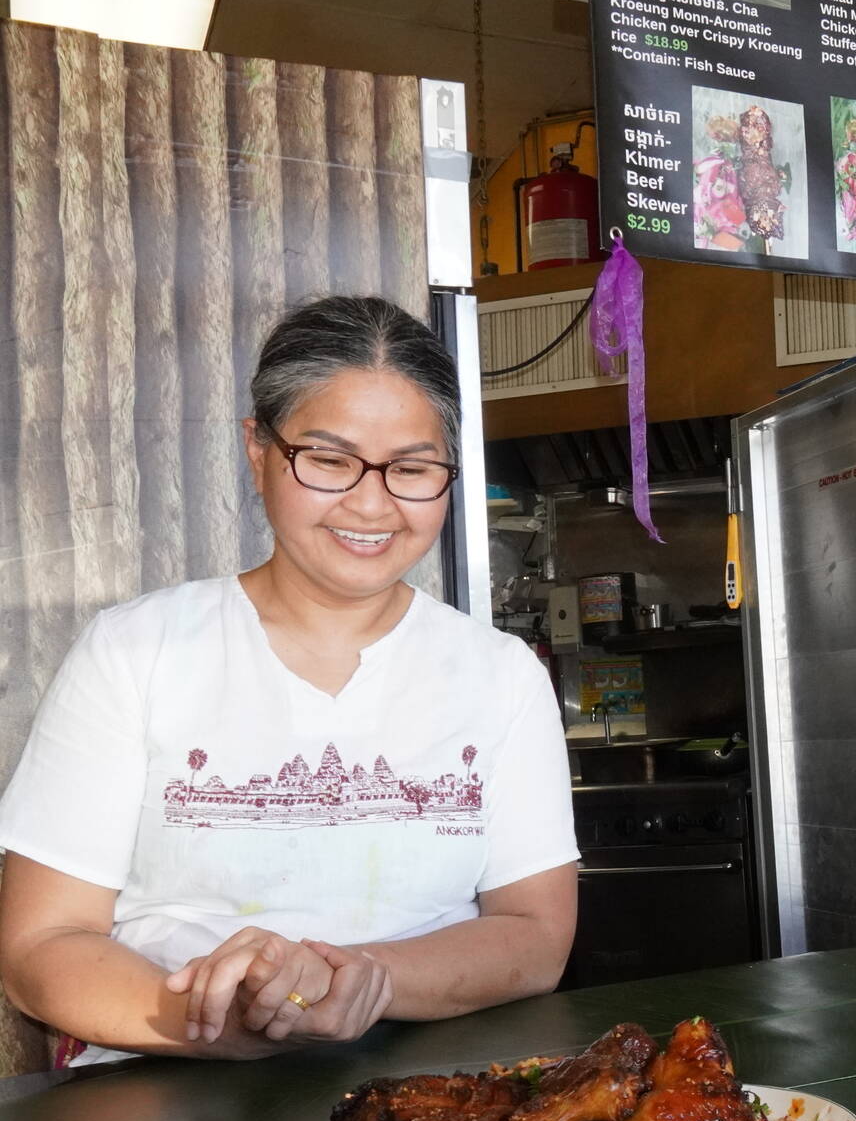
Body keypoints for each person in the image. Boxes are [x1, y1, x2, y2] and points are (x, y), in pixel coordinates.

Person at [0, 296, 578, 1066]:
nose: (371, 504)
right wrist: (226, 1022)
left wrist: (364, 980)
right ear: (258, 450)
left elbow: (536, 936)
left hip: (430, 1103)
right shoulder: (136, 651)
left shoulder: (502, 676)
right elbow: (40, 944)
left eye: (411, 468)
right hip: (162, 1098)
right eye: (330, 461)